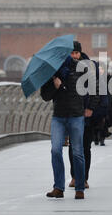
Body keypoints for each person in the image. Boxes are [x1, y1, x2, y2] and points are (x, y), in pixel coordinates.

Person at [40, 41, 96, 200]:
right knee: (55, 150)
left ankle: (80, 187)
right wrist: (55, 85)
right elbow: (45, 96)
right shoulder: (51, 72)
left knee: (78, 152)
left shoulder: (81, 68)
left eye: (72, 52)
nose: (70, 55)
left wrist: (90, 107)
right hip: (58, 116)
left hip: (76, 115)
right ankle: (58, 187)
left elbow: (93, 89)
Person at [68, 49, 100, 189]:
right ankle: (74, 176)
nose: (74, 56)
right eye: (71, 53)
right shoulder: (66, 69)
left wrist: (91, 109)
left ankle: (84, 178)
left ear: (80, 53)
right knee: (73, 148)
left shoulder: (90, 67)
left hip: (87, 115)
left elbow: (97, 90)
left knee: (85, 147)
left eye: (76, 52)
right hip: (72, 114)